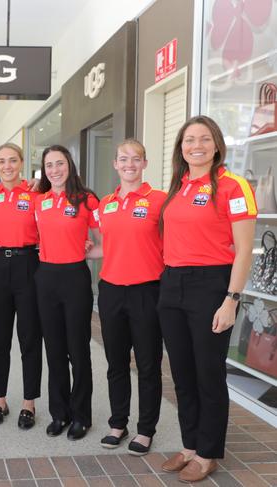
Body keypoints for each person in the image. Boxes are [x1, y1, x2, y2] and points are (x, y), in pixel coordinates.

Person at [158, 116, 256, 482]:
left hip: (212, 286)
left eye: (203, 139)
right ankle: (190, 445)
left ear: (216, 145)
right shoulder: (178, 186)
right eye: (188, 140)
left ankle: (209, 451)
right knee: (181, 372)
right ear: (180, 148)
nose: (195, 145)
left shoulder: (233, 186)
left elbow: (245, 250)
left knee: (208, 373)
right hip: (172, 284)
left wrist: (231, 299)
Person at [86, 139, 165, 456]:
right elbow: (110, 246)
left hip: (147, 291)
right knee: (115, 363)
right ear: (115, 164)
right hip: (111, 291)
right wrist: (91, 252)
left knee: (147, 365)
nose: (129, 164)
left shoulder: (159, 200)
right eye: (123, 159)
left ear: (144, 163)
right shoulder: (105, 203)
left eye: (136, 158)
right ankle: (118, 423)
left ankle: (146, 430)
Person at [34, 144, 99, 441]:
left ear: (69, 166)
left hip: (74, 277)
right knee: (55, 350)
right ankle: (59, 413)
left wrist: (85, 251)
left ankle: (81, 415)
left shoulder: (87, 200)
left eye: (59, 164)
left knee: (78, 350)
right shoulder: (40, 200)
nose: (55, 170)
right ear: (44, 170)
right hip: (46, 277)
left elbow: (106, 241)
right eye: (49, 165)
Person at [0, 142, 42, 430]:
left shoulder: (35, 193)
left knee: (29, 337)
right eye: (2, 161)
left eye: (12, 160)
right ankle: (0, 400)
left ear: (21, 163)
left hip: (28, 264)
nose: (7, 166)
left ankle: (29, 403)